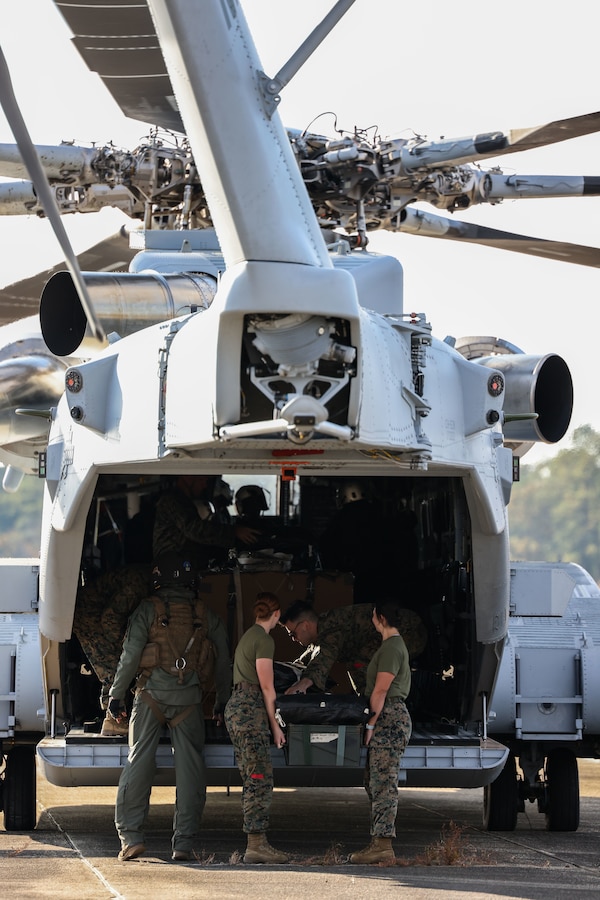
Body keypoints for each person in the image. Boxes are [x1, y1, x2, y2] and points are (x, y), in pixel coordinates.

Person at [108, 553, 231, 862]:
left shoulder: (149, 609)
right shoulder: (204, 612)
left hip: (150, 696)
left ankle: (131, 837)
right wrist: (222, 701)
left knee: (139, 762)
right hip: (189, 700)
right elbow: (224, 658)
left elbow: (131, 654)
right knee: (191, 768)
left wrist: (116, 694)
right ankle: (184, 842)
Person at [224, 592, 288, 864]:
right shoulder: (264, 640)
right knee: (259, 778)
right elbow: (266, 686)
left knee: (253, 776)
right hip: (251, 711)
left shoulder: (249, 636)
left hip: (239, 708)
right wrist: (276, 726)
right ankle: (256, 844)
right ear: (277, 614)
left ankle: (256, 841)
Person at [349, 598, 412, 864]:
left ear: (380, 618)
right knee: (374, 781)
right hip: (389, 716)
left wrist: (371, 724)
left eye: (373, 616)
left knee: (383, 784)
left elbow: (381, 689)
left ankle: (383, 847)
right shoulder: (393, 646)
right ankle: (378, 842)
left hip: (388, 717)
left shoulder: (391, 648)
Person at [280, 600, 426, 696]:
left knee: (360, 664)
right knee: (357, 663)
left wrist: (302, 686)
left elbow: (323, 658)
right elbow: (310, 656)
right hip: (390, 636)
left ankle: (384, 710)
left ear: (305, 625)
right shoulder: (324, 630)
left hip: (409, 631)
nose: (293, 638)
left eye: (293, 633)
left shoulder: (331, 629)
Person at [72, 563, 152, 734]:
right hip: (89, 617)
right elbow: (110, 620)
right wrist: (127, 649)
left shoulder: (143, 583)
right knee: (114, 669)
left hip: (95, 614)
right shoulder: (138, 585)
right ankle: (115, 721)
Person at [152, 474, 260, 568]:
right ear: (188, 477)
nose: (204, 485)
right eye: (202, 480)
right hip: (172, 569)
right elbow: (194, 529)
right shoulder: (172, 500)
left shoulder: (183, 501)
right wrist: (234, 532)